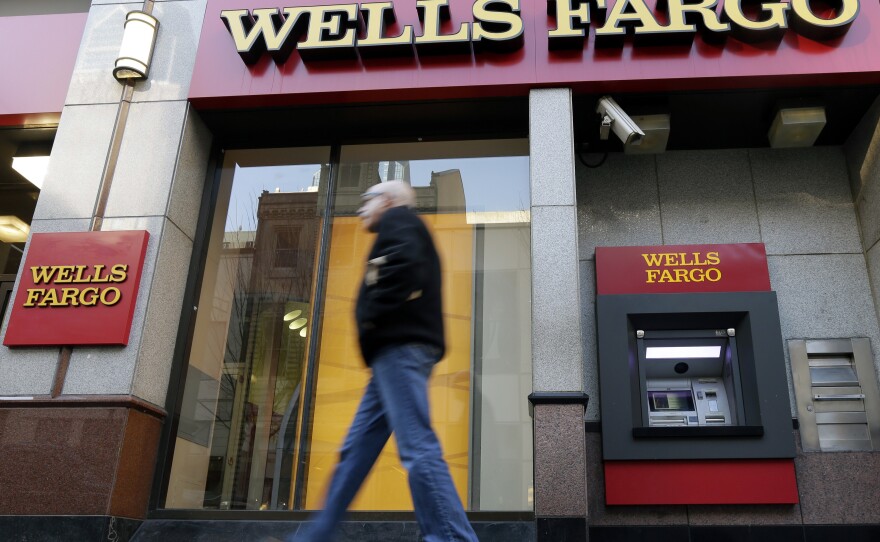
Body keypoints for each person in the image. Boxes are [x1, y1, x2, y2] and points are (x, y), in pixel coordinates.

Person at [296, 180, 478, 542]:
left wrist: (373, 315)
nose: (362, 207)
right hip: (391, 355)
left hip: (400, 349)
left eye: (369, 199)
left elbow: (405, 267)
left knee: (416, 447)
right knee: (355, 453)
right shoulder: (403, 226)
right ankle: (312, 537)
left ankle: (453, 538)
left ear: (389, 200)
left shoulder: (400, 221)